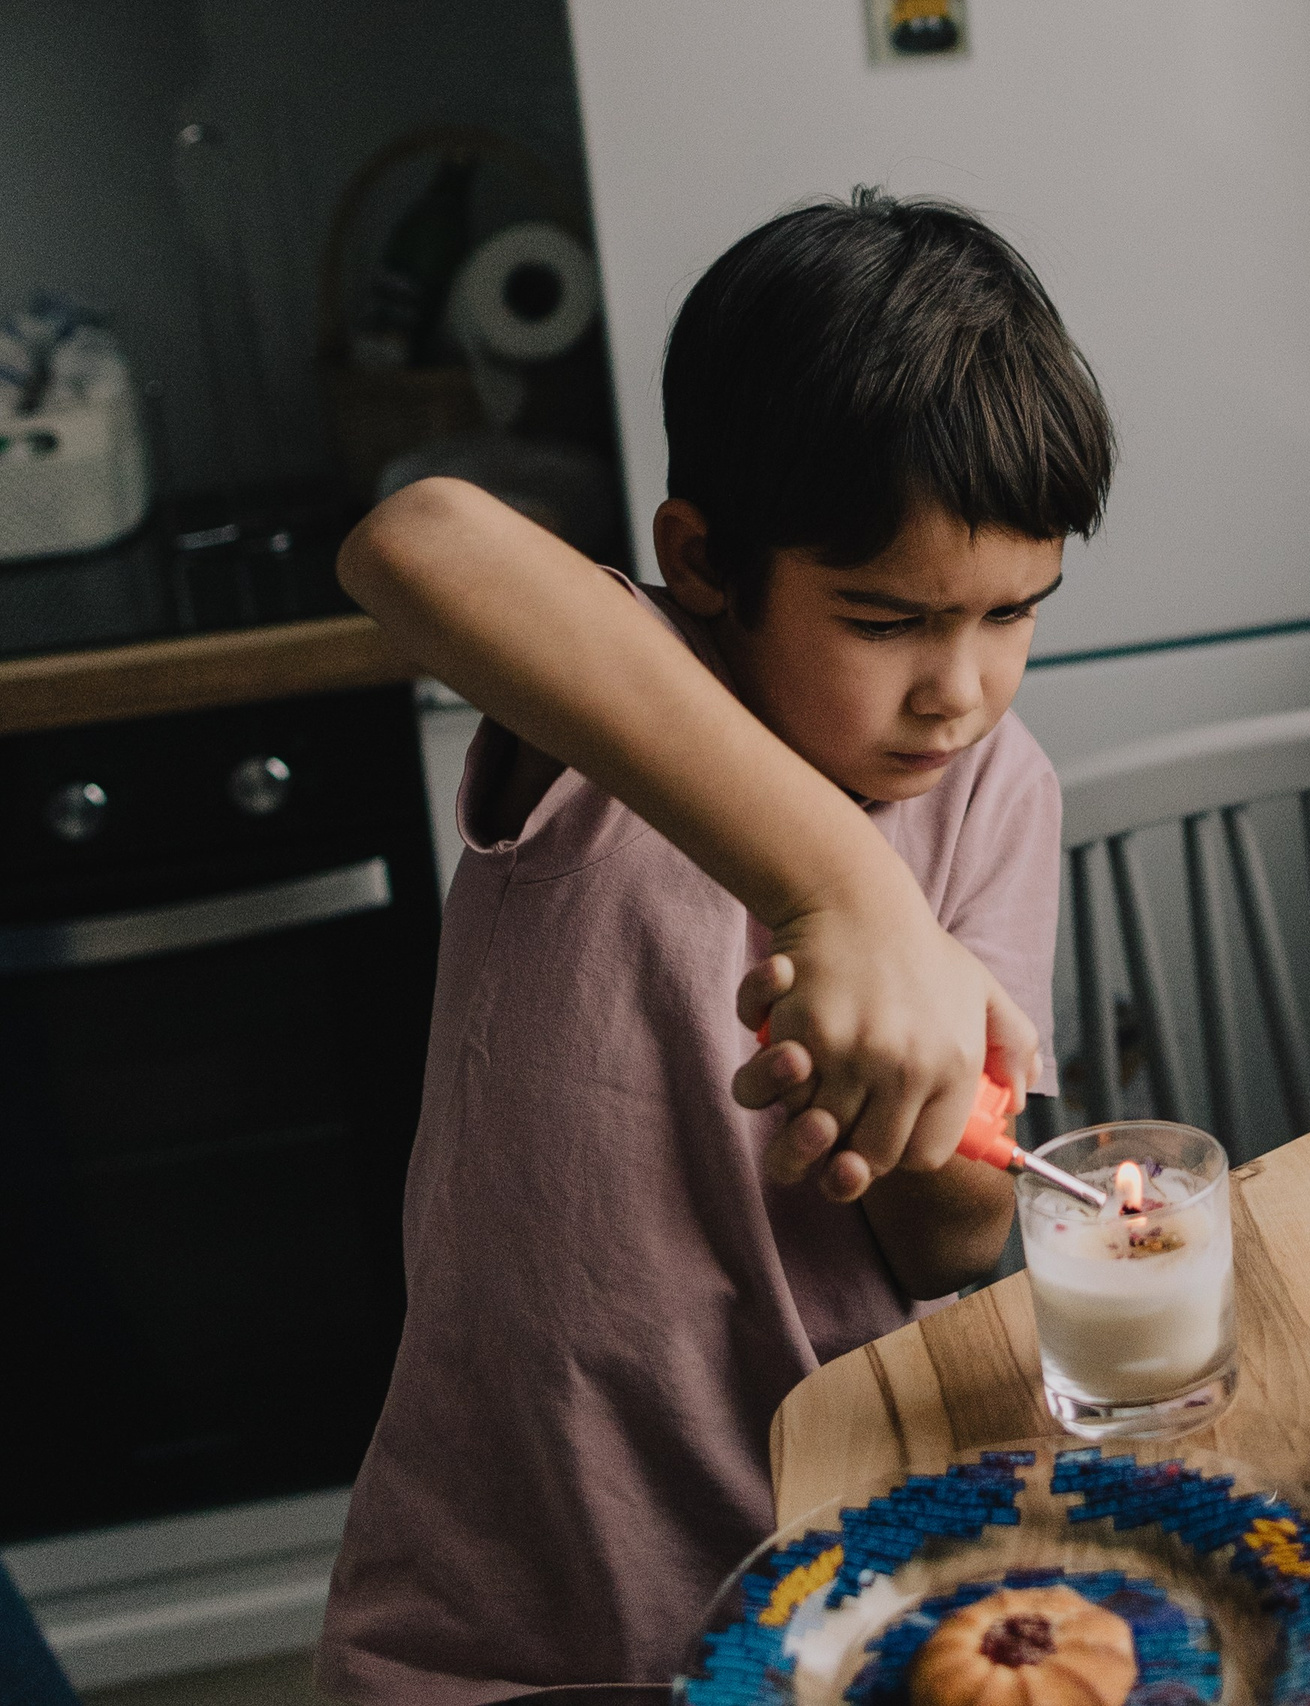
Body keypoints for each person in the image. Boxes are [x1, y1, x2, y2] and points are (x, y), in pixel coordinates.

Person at [317, 189, 1114, 1702]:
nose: (961, 689)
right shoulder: (618, 711)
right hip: (517, 1613)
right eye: (886, 622)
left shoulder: (1002, 789)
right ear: (703, 561)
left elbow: (955, 1244)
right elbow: (412, 535)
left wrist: (917, 1120)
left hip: (838, 1564)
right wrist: (851, 894)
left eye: (1015, 613)